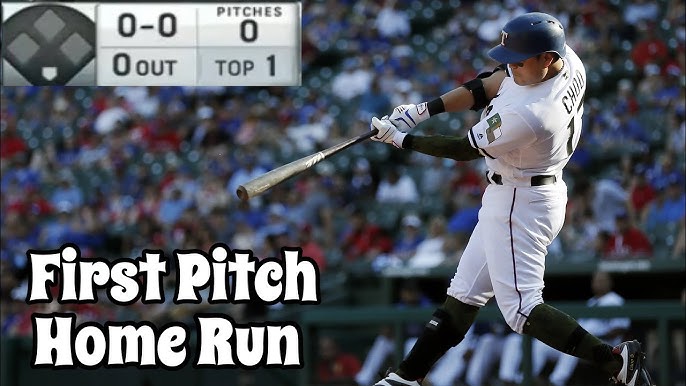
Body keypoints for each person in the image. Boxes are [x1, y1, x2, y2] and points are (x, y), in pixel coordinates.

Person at [368, 12, 653, 386]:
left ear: (546, 59)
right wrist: (422, 111)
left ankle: (616, 362)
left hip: (523, 200)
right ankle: (405, 378)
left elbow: (464, 149)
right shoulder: (566, 60)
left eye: (519, 60)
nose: (510, 67)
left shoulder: (532, 113)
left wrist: (401, 139)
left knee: (521, 310)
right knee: (464, 294)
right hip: (519, 190)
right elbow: (491, 83)